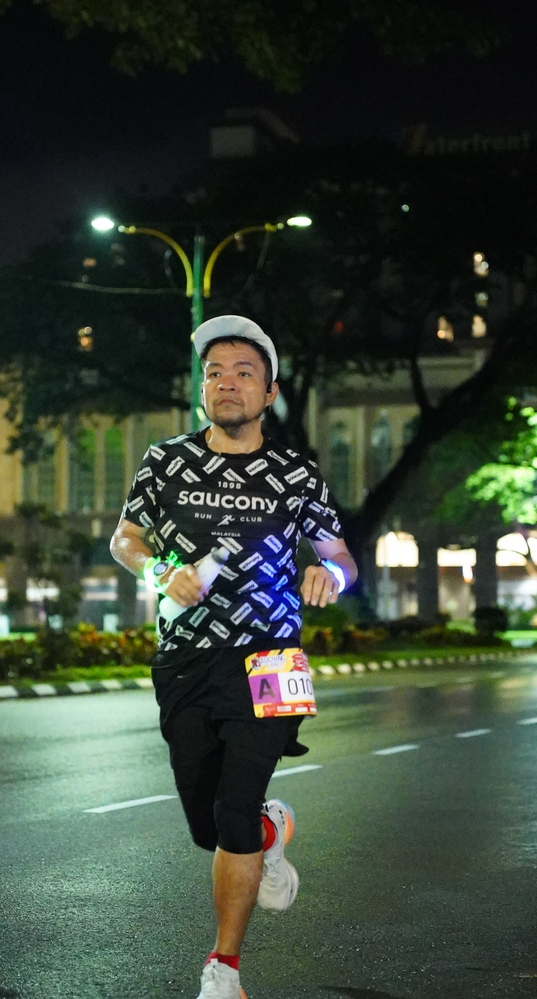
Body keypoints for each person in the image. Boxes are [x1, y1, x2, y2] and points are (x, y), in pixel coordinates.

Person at [110, 315, 358, 999]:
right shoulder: (165, 461)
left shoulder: (294, 472)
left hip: (272, 658)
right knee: (209, 823)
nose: (227, 382)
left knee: (234, 804)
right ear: (201, 390)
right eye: (214, 372)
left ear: (269, 392)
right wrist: (160, 570)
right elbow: (125, 540)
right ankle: (269, 832)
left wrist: (329, 577)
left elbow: (341, 557)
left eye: (244, 372)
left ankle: (224, 971)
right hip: (186, 657)